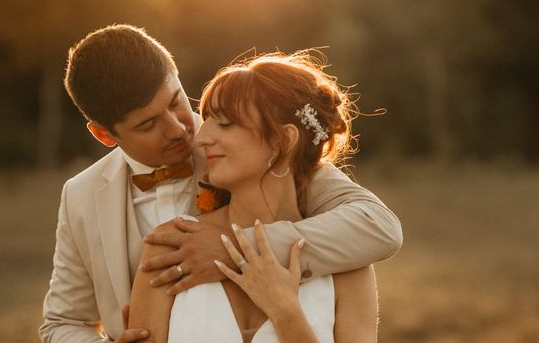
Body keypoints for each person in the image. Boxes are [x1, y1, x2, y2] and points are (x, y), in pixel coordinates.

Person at [39, 24, 402, 343]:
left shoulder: (260, 151)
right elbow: (62, 322)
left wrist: (236, 251)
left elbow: (377, 225)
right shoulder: (81, 196)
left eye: (177, 101)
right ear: (104, 134)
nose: (185, 131)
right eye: (148, 125)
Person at [129, 52, 379, 342]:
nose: (200, 138)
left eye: (224, 123)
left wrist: (285, 312)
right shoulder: (172, 247)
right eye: (206, 120)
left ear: (282, 141)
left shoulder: (349, 267)